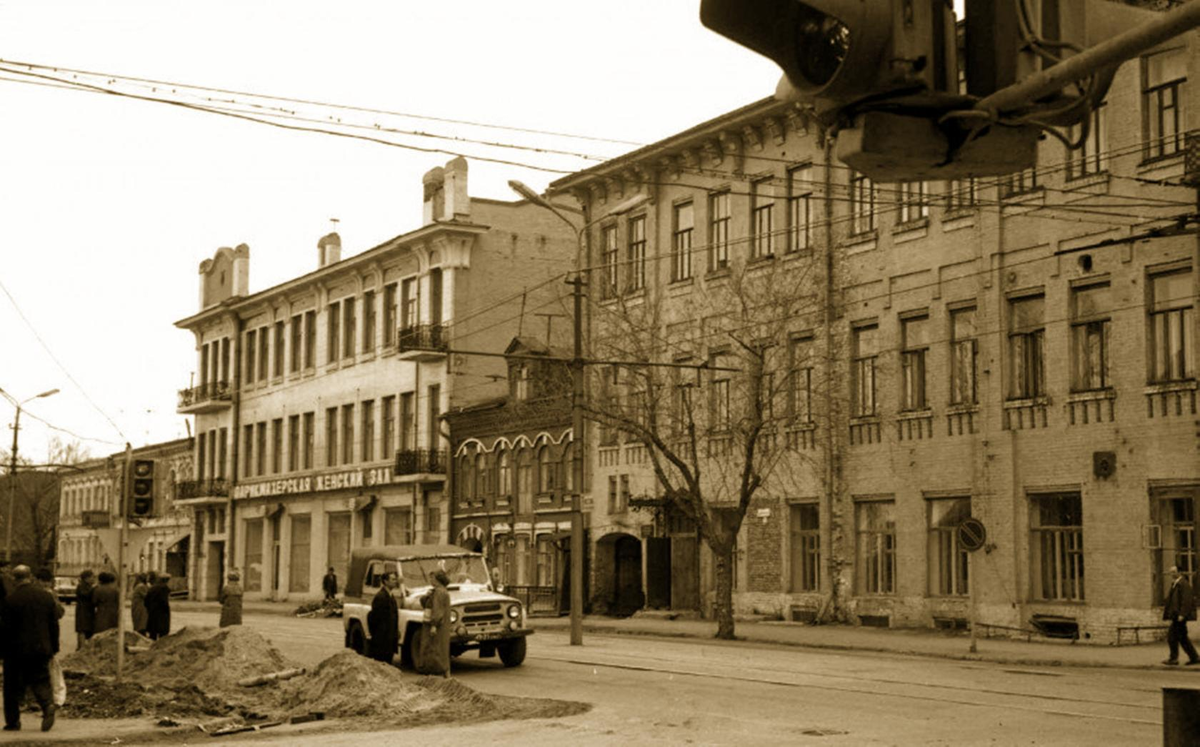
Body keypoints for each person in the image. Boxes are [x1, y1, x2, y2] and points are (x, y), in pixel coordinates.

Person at [1, 565, 59, 732]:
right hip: (41, 648)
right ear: (31, 576)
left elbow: (4, 628)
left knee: (11, 686)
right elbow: (53, 625)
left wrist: (2, 651)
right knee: (40, 679)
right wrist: (53, 647)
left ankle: (13, 721)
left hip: (15, 651)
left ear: (14, 578)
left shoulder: (10, 600)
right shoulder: (45, 597)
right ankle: (47, 705)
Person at [415, 570, 452, 677]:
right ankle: (445, 674)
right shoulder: (437, 591)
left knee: (435, 649)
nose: (430, 580)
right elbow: (426, 604)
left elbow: (437, 610)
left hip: (436, 626)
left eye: (432, 578)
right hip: (439, 625)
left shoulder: (439, 592)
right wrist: (426, 597)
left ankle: (439, 674)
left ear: (437, 580)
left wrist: (434, 625)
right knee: (440, 649)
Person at [1162, 565, 1200, 665]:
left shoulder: (1183, 584)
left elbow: (1186, 600)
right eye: (1171, 572)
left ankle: (1174, 658)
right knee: (1182, 638)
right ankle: (1194, 657)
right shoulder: (1175, 584)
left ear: (1180, 572)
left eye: (1174, 572)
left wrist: (1182, 614)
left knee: (1172, 637)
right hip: (1176, 616)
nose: (1172, 574)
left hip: (1179, 617)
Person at [366, 571, 400, 664]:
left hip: (389, 638)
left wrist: (396, 632)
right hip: (381, 640)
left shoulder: (391, 596)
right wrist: (378, 636)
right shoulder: (380, 597)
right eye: (392, 579)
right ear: (385, 581)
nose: (395, 581)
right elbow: (374, 618)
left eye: (395, 579)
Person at [144, 573, 172, 640]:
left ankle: (152, 648)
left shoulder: (152, 588)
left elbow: (146, 601)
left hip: (152, 613)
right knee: (163, 636)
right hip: (162, 615)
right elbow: (164, 602)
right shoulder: (164, 588)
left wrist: (150, 608)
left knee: (153, 634)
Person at [74, 569, 96, 648]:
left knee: (86, 629)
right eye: (92, 577)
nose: (94, 579)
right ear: (86, 578)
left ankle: (83, 647)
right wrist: (94, 589)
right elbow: (85, 594)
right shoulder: (82, 586)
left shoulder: (87, 586)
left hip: (87, 611)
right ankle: (81, 648)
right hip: (83, 611)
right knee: (82, 629)